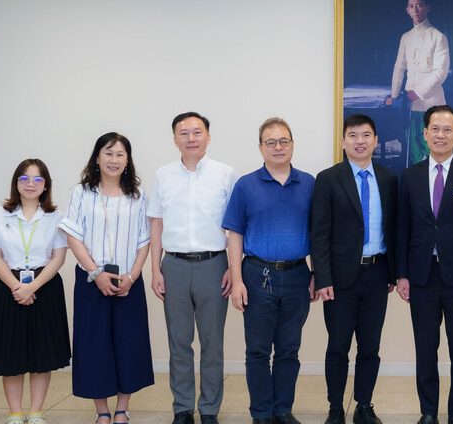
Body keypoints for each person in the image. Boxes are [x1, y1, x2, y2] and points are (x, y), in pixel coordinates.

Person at [395, 104, 453, 424]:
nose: (440, 135)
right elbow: (402, 229)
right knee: (426, 348)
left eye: (447, 129)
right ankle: (427, 412)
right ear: (424, 134)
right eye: (434, 129)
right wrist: (402, 275)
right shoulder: (409, 177)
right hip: (421, 276)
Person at [224, 117, 317, 424]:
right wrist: (236, 279)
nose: (278, 147)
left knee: (289, 349)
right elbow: (234, 234)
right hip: (256, 275)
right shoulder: (246, 185)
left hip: (297, 276)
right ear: (261, 147)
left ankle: (282, 410)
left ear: (292, 145)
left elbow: (319, 234)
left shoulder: (309, 183)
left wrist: (316, 274)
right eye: (271, 142)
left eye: (284, 141)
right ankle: (262, 413)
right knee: (258, 351)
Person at [148, 112, 238, 424]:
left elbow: (236, 226)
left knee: (212, 344)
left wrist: (233, 268)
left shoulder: (225, 174)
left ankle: (210, 409)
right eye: (184, 133)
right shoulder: (163, 175)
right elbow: (156, 224)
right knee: (179, 343)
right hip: (173, 266)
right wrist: (155, 270)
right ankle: (183, 408)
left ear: (208, 137)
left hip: (215, 266)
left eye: (197, 132)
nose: (191, 138)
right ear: (175, 139)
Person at [310, 114, 399, 424]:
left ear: (375, 140)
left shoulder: (389, 179)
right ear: (343, 141)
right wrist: (322, 277)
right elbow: (318, 233)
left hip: (377, 275)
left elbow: (396, 229)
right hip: (339, 278)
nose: (359, 141)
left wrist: (394, 272)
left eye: (366, 135)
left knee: (370, 347)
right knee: (337, 346)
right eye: (353, 135)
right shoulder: (328, 179)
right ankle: (336, 407)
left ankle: (364, 405)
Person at [60, 132, 154, 424]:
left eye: (120, 154)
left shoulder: (138, 196)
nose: (114, 160)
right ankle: (101, 410)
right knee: (93, 344)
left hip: (128, 280)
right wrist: (95, 273)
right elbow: (73, 235)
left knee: (129, 343)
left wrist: (133, 275)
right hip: (92, 280)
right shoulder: (81, 192)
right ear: (97, 157)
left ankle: (122, 408)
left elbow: (144, 240)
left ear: (128, 160)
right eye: (108, 153)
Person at [0, 159, 71, 424]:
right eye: (24, 178)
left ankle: (36, 412)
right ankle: (15, 413)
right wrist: (17, 286)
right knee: (11, 353)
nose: (30, 184)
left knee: (42, 352)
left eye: (37, 179)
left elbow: (58, 258)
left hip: (45, 286)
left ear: (46, 185)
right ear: (15, 183)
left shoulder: (56, 217)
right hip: (9, 286)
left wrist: (32, 286)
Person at [385, 0, 450, 166]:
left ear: (427, 7)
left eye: (419, 5)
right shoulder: (406, 37)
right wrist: (394, 95)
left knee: (432, 150)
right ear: (407, 10)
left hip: (432, 103)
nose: (415, 9)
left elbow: (440, 72)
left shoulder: (438, 36)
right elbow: (399, 67)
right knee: (412, 151)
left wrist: (418, 92)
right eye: (411, 6)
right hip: (410, 104)